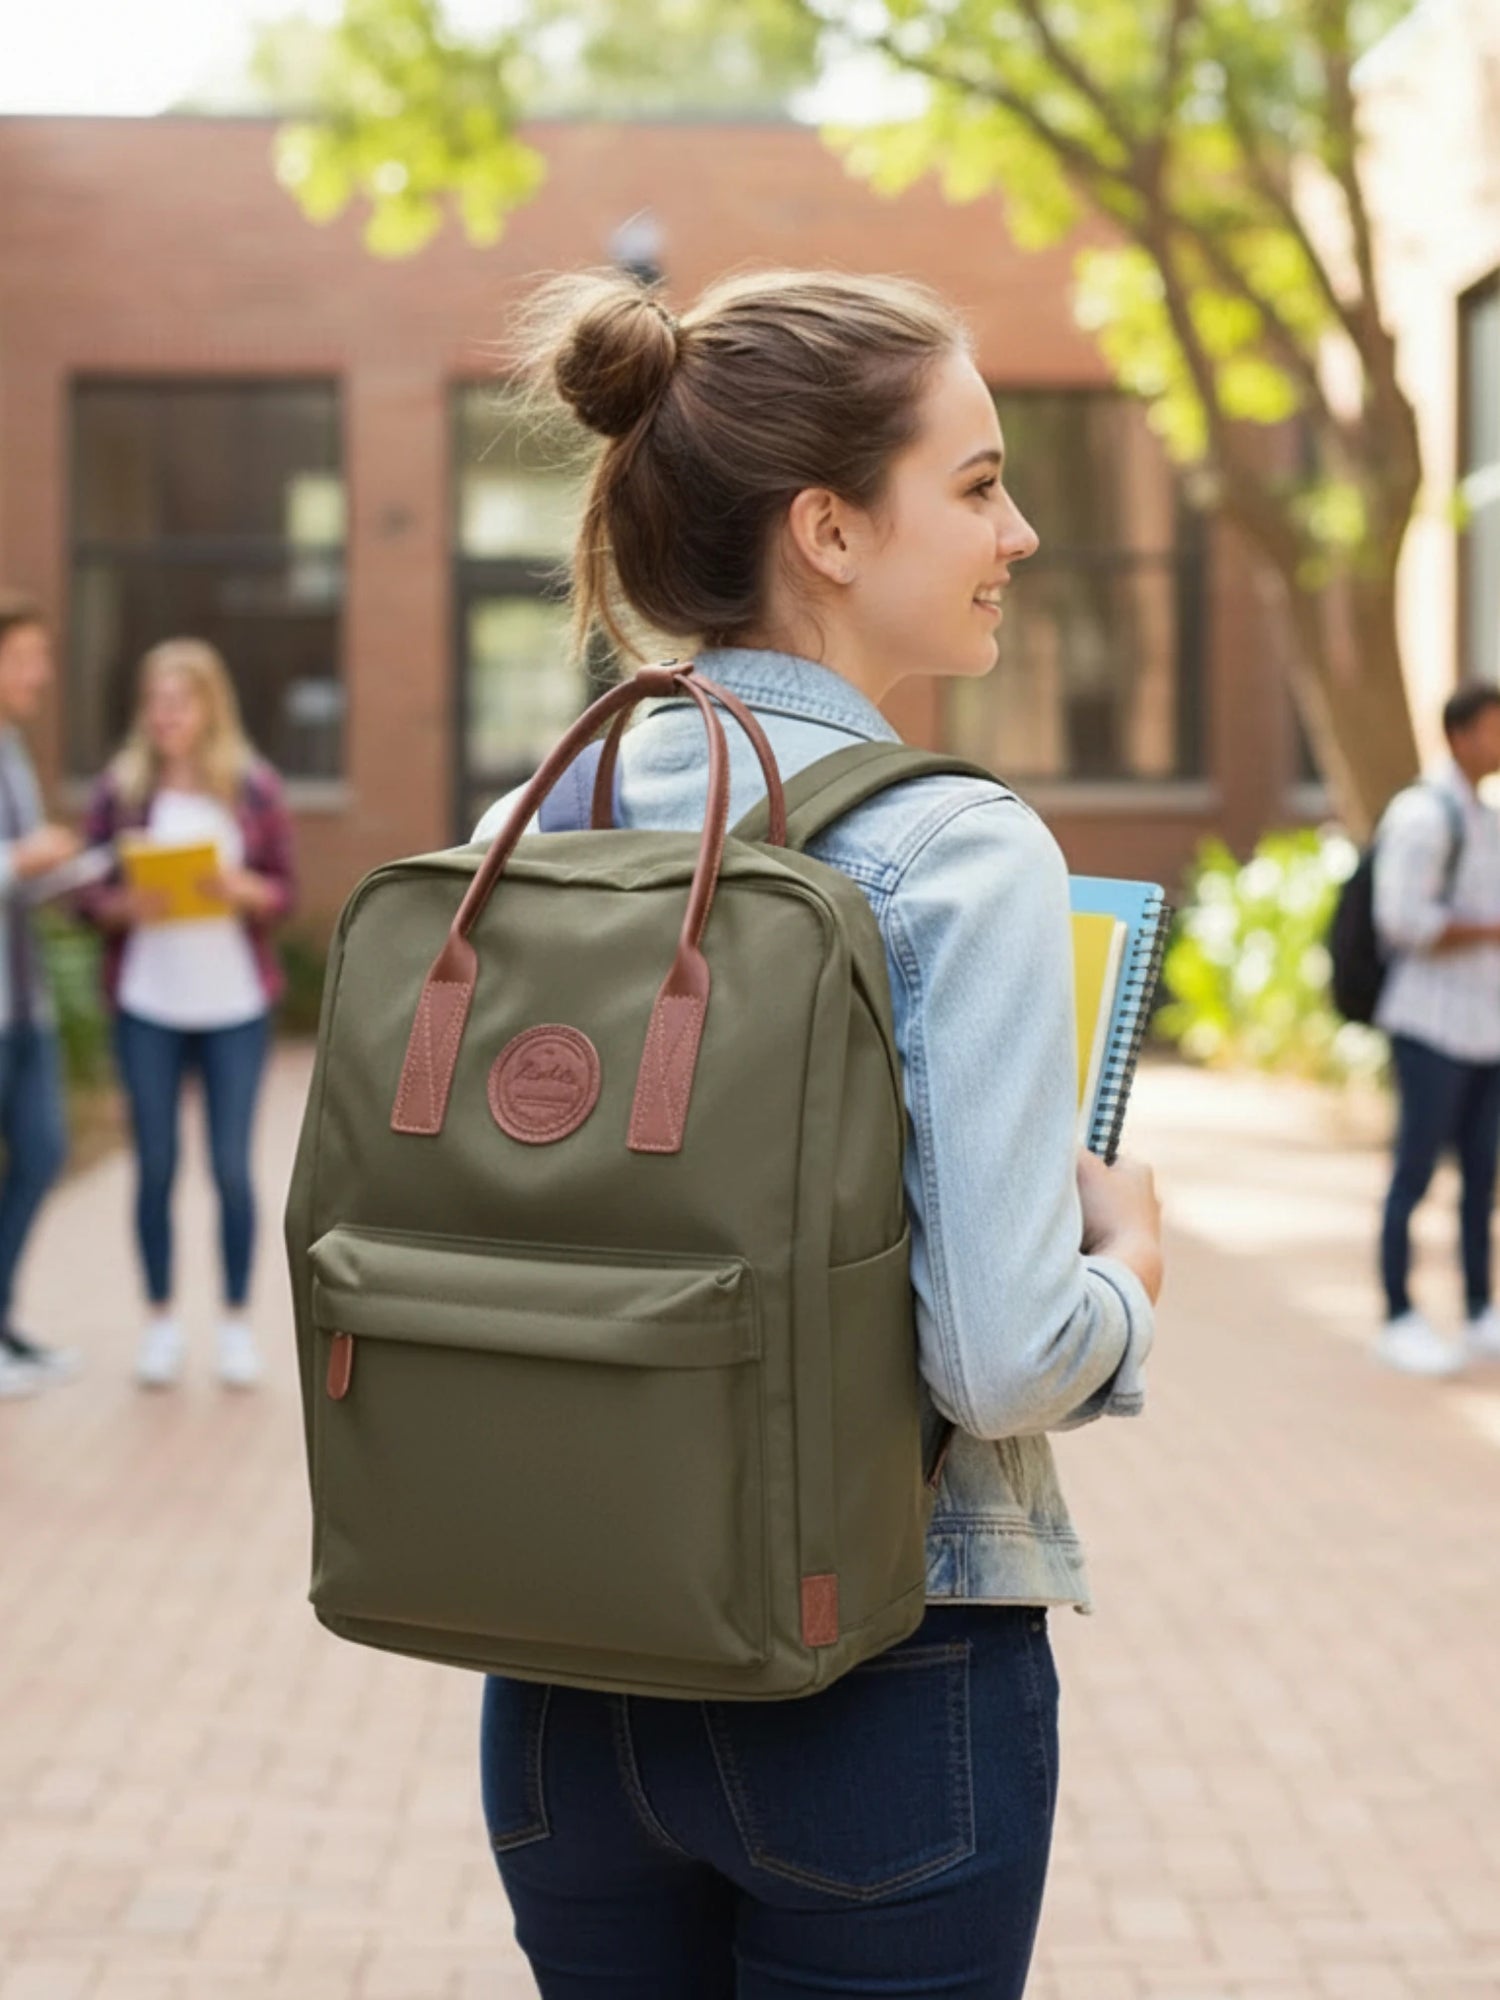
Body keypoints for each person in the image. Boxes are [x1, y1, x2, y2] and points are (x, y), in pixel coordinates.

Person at [470, 270, 1165, 2000]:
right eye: (982, 482)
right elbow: (1001, 1360)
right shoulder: (961, 850)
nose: (1019, 531)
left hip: (558, 1672)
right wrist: (1130, 1272)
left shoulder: (530, 813)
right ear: (832, 530)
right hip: (880, 1676)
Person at [75, 638, 295, 1390]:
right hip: (148, 1005)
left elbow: (284, 893)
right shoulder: (122, 791)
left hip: (233, 1005)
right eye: (155, 702)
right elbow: (86, 894)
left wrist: (241, 890)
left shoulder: (253, 789)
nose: (165, 716)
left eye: (179, 702)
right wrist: (121, 904)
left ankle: (235, 1324)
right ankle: (161, 1322)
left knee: (232, 1170)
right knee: (157, 1166)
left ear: (208, 707)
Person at [1373, 680, 1500, 1376]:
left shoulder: (1484, 816)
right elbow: (1403, 921)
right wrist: (1489, 930)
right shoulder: (1423, 816)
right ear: (1460, 735)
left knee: (1482, 1178)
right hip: (1429, 1028)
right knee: (1413, 1175)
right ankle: (1396, 1315)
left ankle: (1480, 1309)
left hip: (1486, 1031)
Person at [0, 591, 81, 1397]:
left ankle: (3, 1324)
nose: (41, 674)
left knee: (43, 1151)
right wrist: (21, 862)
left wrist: (61, 872)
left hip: (24, 1005)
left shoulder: (13, 749)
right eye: (25, 657)